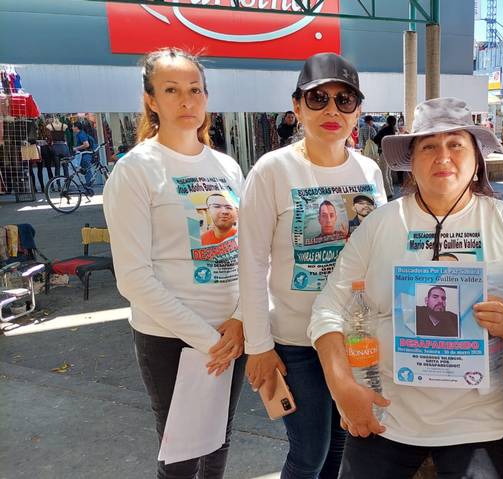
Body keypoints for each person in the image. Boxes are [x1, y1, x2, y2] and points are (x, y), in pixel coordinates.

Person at [308, 97, 503, 479]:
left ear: (477, 160)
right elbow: (328, 308)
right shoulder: (381, 224)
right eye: (429, 146)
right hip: (387, 413)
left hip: (482, 420)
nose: (443, 156)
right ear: (411, 161)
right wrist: (342, 387)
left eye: (456, 144)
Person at [238, 52, 386, 479]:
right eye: (318, 98)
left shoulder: (369, 171)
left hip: (353, 336)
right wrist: (258, 346)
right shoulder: (272, 170)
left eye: (344, 100)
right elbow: (251, 262)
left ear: (357, 110)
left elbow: (380, 252)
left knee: (341, 440)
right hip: (295, 341)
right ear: (297, 106)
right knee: (309, 454)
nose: (331, 110)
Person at [103, 47, 246, 479]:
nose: (186, 101)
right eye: (171, 90)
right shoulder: (136, 170)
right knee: (181, 458)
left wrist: (241, 320)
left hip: (230, 333)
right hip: (170, 339)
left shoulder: (227, 167)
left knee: (219, 442)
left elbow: (248, 253)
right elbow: (133, 278)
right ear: (151, 99)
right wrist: (207, 339)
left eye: (194, 89)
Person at [373, 115, 398, 198]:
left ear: (387, 121)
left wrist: (381, 129)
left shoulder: (385, 129)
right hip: (391, 153)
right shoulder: (394, 130)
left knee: (383, 173)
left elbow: (375, 139)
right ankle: (391, 190)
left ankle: (388, 193)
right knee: (388, 173)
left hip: (384, 152)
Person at [72, 120, 95, 191]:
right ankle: (89, 185)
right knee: (85, 170)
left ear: (76, 127)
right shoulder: (81, 133)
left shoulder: (81, 134)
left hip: (85, 155)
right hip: (84, 154)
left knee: (87, 170)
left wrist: (76, 148)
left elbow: (86, 144)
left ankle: (89, 186)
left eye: (73, 126)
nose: (72, 128)